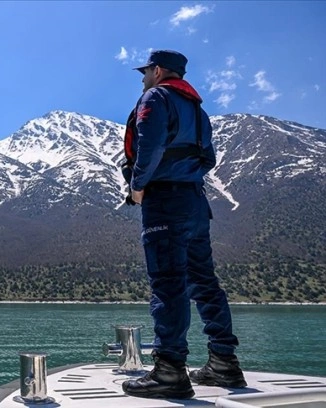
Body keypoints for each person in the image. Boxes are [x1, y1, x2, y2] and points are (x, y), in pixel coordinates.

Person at [119, 50, 247, 399]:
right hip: (195, 201)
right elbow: (209, 157)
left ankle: (169, 370)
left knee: (168, 283)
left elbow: (150, 144)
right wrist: (186, 176)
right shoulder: (197, 109)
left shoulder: (155, 97)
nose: (143, 78)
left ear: (157, 71)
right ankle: (224, 362)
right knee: (204, 281)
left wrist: (138, 186)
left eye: (145, 72)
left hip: (165, 202)